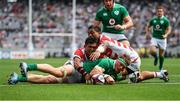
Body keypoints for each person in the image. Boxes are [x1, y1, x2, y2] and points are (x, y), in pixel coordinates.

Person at [87, 26, 169, 83]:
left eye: (92, 33)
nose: (90, 35)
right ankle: (160, 74)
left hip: (132, 60)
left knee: (121, 76)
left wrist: (98, 51)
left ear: (99, 33)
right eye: (89, 33)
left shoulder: (103, 39)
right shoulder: (98, 41)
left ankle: (136, 75)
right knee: (137, 77)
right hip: (127, 58)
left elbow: (106, 43)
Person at [8, 36, 100, 85]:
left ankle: (18, 78)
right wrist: (86, 74)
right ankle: (28, 66)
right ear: (85, 45)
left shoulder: (98, 54)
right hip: (72, 68)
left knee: (49, 79)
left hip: (78, 78)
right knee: (58, 73)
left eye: (93, 47)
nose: (92, 49)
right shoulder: (80, 51)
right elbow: (76, 64)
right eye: (90, 47)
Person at [145, 5, 171, 70]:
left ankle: (160, 67)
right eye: (158, 11)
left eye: (161, 11)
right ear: (156, 12)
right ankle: (156, 57)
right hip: (155, 38)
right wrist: (147, 33)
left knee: (161, 55)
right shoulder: (153, 20)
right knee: (151, 51)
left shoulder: (165, 20)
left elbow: (169, 29)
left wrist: (166, 35)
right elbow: (148, 26)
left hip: (162, 39)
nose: (159, 12)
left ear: (163, 12)